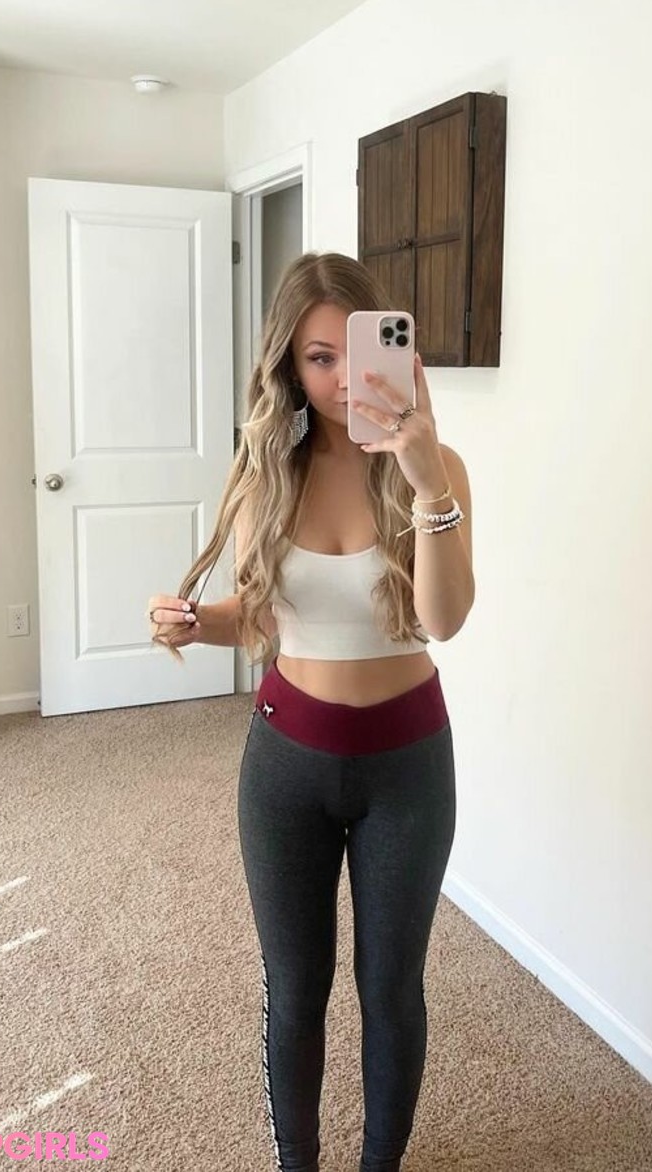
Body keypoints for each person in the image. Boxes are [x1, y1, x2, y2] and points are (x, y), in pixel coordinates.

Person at [147, 252, 475, 1172]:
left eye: (355, 354)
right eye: (318, 358)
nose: (338, 380)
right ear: (290, 366)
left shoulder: (434, 470)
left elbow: (443, 620)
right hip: (285, 766)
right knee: (295, 990)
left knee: (391, 989)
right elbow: (260, 619)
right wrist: (191, 623)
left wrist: (428, 484)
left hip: (408, 768)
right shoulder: (269, 474)